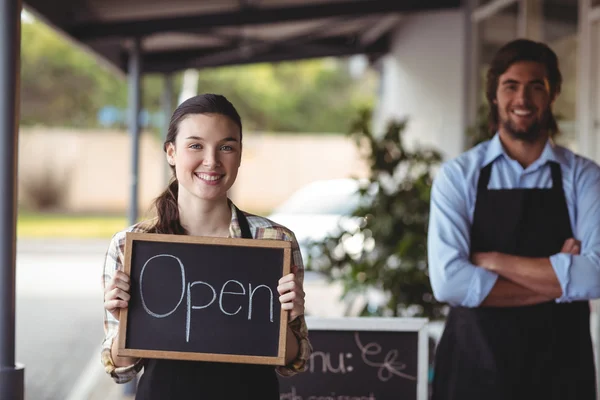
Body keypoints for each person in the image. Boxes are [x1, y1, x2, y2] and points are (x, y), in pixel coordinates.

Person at [101, 94, 312, 399]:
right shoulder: (130, 247)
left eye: (226, 147)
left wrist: (288, 318)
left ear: (239, 155)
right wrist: (126, 321)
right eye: (196, 145)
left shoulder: (275, 241)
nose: (212, 160)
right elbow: (122, 370)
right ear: (171, 152)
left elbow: (294, 360)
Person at [427, 39, 600, 400]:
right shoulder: (459, 176)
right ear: (494, 95)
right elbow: (449, 284)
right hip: (475, 367)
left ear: (552, 96)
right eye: (511, 85)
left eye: (537, 85)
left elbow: (595, 276)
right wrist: (559, 281)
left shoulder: (584, 177)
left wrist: (493, 261)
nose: (523, 99)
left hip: (561, 369)